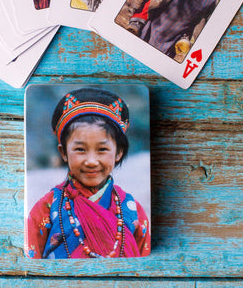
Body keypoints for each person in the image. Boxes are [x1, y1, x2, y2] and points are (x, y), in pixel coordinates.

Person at [26, 87, 150, 259]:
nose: (91, 161)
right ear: (63, 153)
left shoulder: (131, 210)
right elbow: (30, 263)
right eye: (80, 149)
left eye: (102, 149)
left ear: (119, 152)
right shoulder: (46, 209)